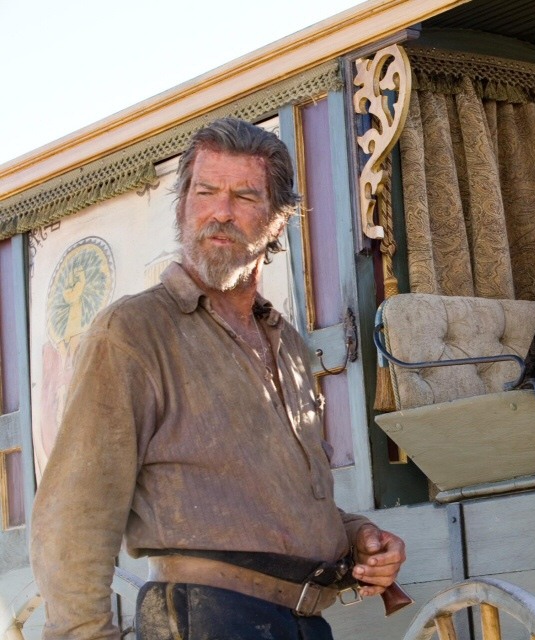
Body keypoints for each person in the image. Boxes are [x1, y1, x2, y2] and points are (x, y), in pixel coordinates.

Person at [30, 117, 406, 639]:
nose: (221, 212)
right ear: (182, 206)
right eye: (205, 192)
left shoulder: (290, 347)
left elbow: (276, 509)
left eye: (245, 197)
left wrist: (358, 539)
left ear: (278, 221)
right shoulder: (133, 332)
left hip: (303, 624)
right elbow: (74, 515)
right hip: (204, 617)